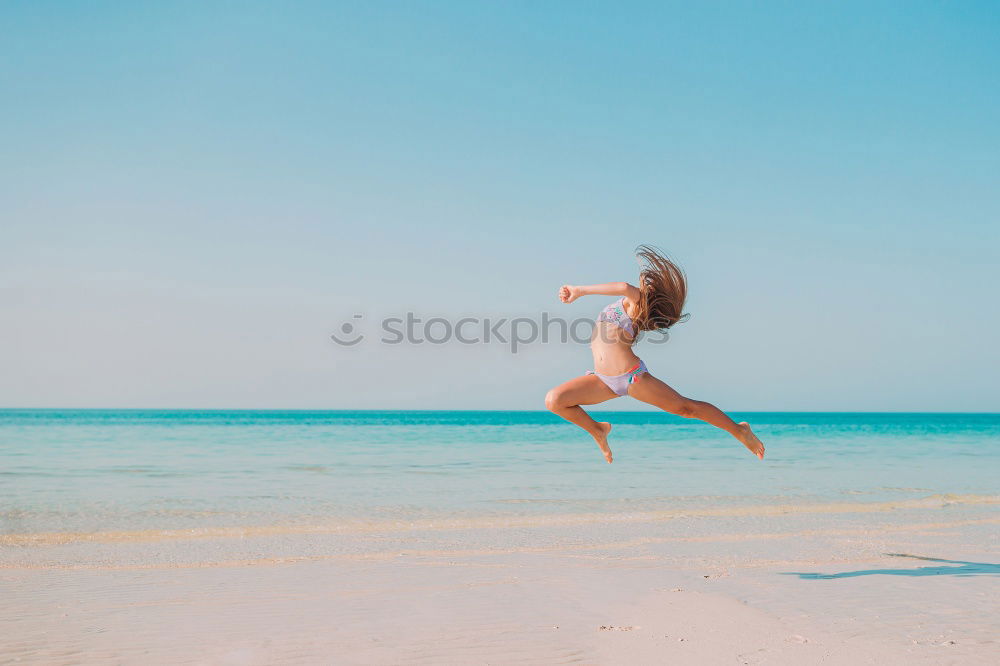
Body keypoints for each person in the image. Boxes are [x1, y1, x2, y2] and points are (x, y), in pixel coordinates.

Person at [545, 245, 766, 464]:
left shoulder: (636, 303)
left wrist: (578, 291)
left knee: (686, 408)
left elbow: (623, 286)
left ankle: (738, 430)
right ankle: (597, 430)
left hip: (631, 377)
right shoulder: (632, 308)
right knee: (555, 400)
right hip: (602, 380)